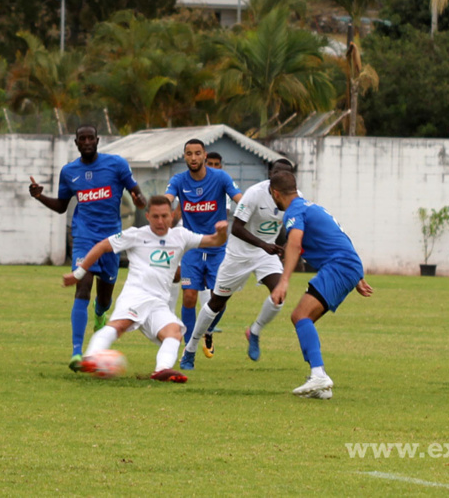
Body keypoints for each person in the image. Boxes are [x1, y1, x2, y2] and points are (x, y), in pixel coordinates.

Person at [63, 196, 228, 383]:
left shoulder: (181, 236)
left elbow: (215, 241)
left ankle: (163, 370)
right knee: (119, 325)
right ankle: (91, 357)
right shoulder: (136, 235)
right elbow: (102, 246)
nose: (160, 221)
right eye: (155, 216)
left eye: (164, 216)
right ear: (147, 216)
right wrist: (78, 273)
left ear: (172, 215)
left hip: (158, 303)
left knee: (174, 332)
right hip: (135, 296)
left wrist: (222, 232)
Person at [30, 124, 147, 370]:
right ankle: (77, 353)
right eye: (81, 138)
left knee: (104, 298)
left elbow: (139, 196)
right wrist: (40, 196)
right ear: (76, 142)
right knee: (81, 287)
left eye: (90, 138)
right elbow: (62, 206)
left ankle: (100, 313)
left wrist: (140, 200)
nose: (86, 142)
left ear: (97, 140)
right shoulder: (69, 171)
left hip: (112, 241)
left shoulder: (116, 164)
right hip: (83, 236)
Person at [180, 159, 298, 370]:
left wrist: (285, 245)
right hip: (239, 254)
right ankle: (190, 348)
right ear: (271, 177)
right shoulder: (254, 193)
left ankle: (254, 331)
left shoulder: (296, 198)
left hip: (266, 253)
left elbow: (296, 227)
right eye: (277, 175)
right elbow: (237, 229)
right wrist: (264, 244)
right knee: (217, 303)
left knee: (280, 294)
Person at [269, 171, 373, 399]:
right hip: (346, 265)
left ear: (275, 193)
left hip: (339, 265)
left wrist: (283, 281)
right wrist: (357, 273)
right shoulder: (310, 207)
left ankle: (319, 375)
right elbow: (340, 235)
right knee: (303, 318)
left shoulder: (295, 212)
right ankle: (320, 384)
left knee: (300, 316)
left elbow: (294, 245)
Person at [163, 140, 242, 362]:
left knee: (221, 299)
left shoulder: (221, 178)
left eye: (198, 153)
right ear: (185, 157)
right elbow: (167, 200)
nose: (194, 157)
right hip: (192, 247)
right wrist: (160, 210)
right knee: (189, 296)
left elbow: (240, 201)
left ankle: (205, 330)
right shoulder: (179, 180)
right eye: (189, 154)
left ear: (204, 155)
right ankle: (190, 349)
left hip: (218, 247)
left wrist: (247, 216)